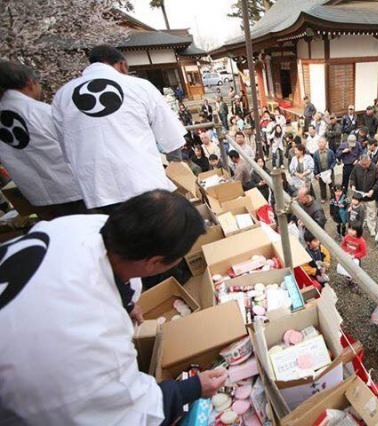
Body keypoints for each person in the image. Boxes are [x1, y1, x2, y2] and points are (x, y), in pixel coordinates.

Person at [0, 190, 227, 425]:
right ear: (155, 263)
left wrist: (125, 301)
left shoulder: (74, 226)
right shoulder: (99, 334)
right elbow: (128, 414)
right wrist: (191, 388)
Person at [52, 45, 185, 212]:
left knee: (120, 233)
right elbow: (171, 137)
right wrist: (177, 167)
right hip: (142, 180)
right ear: (122, 64)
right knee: (157, 230)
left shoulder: (62, 95)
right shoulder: (139, 86)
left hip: (97, 186)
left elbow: (67, 149)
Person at [0, 61, 85, 219]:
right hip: (72, 189)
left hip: (36, 195)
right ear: (30, 83)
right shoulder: (40, 111)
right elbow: (76, 145)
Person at [350, 153, 378, 237]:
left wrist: (373, 190)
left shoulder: (375, 169)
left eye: (366, 164)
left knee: (371, 213)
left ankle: (372, 228)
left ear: (370, 161)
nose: (364, 166)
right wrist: (352, 185)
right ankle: (362, 223)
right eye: (362, 164)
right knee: (360, 211)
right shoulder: (357, 167)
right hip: (360, 196)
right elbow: (352, 177)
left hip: (371, 196)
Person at [341, 224, 368, 290]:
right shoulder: (347, 237)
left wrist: (354, 256)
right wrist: (346, 252)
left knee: (357, 272)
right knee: (347, 269)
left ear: (358, 231)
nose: (350, 231)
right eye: (349, 228)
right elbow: (343, 245)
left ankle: (356, 282)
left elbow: (363, 252)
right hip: (347, 257)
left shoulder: (361, 241)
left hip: (356, 260)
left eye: (353, 230)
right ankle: (348, 279)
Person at [313, 137, 336, 203]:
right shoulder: (316, 154)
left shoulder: (330, 152)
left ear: (325, 143)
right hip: (321, 172)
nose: (320, 144)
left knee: (331, 185)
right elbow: (315, 164)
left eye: (322, 142)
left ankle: (333, 197)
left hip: (329, 172)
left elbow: (334, 161)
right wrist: (316, 173)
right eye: (319, 142)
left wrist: (331, 167)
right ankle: (323, 197)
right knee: (322, 186)